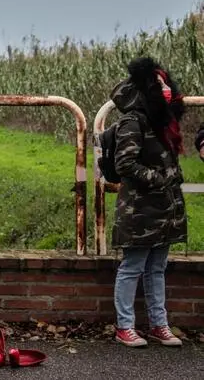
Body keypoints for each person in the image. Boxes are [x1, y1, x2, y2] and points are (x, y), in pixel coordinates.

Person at [110, 56, 186, 348]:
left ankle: (159, 324)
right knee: (133, 266)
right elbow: (125, 164)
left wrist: (168, 181)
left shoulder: (165, 121)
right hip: (140, 209)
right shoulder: (133, 120)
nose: (166, 89)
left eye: (166, 82)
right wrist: (159, 179)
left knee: (157, 267)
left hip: (165, 208)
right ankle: (124, 325)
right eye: (159, 84)